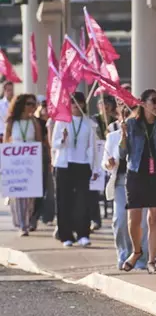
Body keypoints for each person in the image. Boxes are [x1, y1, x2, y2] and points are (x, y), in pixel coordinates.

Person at [119, 89, 156, 274]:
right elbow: (122, 154)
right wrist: (123, 136)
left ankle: (152, 261)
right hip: (136, 174)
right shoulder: (131, 124)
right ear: (143, 103)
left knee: (155, 219)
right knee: (133, 219)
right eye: (154, 101)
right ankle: (136, 252)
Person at [103, 104, 148, 270]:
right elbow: (105, 161)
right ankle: (123, 254)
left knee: (141, 223)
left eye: (131, 113)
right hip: (121, 182)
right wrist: (109, 164)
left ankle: (141, 258)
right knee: (121, 220)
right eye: (124, 113)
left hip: (140, 182)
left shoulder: (143, 134)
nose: (127, 116)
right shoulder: (112, 136)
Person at [52, 92, 99, 248]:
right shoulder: (62, 121)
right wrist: (63, 139)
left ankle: (83, 234)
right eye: (72, 103)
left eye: (78, 102)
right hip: (64, 165)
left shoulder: (88, 123)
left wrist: (95, 167)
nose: (75, 106)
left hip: (82, 164)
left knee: (82, 201)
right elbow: (55, 144)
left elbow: (92, 147)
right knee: (64, 200)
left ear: (83, 104)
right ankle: (66, 235)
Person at [5, 94, 43, 236]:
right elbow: (6, 142)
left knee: (30, 196)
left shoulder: (34, 122)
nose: (32, 107)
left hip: (31, 162)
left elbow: (39, 141)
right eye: (29, 104)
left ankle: (27, 219)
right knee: (19, 195)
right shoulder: (12, 122)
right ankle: (22, 224)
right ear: (21, 105)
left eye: (34, 104)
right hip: (16, 163)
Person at [90, 95, 118, 231]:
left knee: (111, 184)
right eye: (103, 103)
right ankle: (95, 219)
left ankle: (113, 211)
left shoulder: (115, 122)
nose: (105, 106)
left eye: (108, 103)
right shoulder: (93, 120)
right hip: (97, 155)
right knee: (95, 188)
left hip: (110, 156)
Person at [32, 98, 55, 227]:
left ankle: (48, 216)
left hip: (51, 158)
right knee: (38, 189)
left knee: (50, 190)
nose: (45, 111)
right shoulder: (37, 123)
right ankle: (35, 216)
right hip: (39, 158)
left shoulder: (55, 122)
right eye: (43, 107)